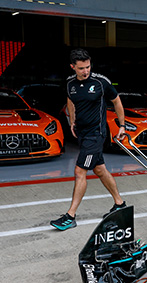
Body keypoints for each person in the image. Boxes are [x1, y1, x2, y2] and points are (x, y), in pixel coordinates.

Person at [50, 48, 126, 231]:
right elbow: (70, 100)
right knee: (100, 169)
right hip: (83, 134)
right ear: (72, 67)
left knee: (79, 171)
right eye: (81, 68)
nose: (86, 71)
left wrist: (122, 126)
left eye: (88, 67)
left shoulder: (100, 82)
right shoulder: (70, 84)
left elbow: (116, 101)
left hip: (96, 134)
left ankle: (70, 216)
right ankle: (120, 204)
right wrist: (72, 121)